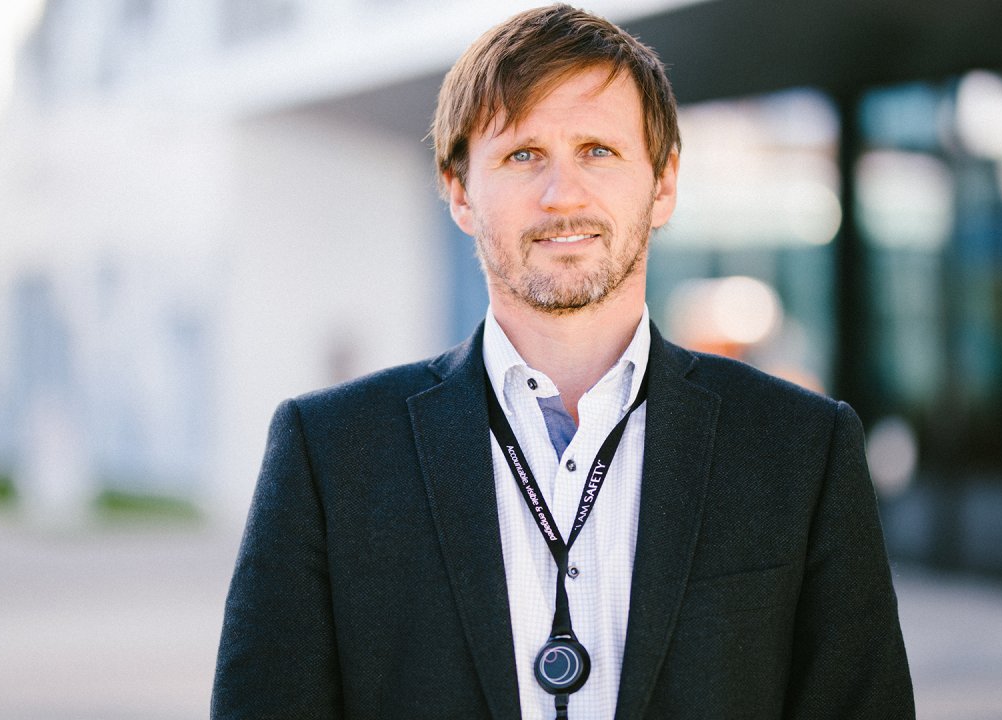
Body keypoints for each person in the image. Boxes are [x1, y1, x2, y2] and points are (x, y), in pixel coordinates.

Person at [212, 5, 914, 718]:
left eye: (597, 151)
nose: (562, 194)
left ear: (663, 184)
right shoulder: (331, 455)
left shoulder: (799, 448)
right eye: (523, 155)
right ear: (459, 189)